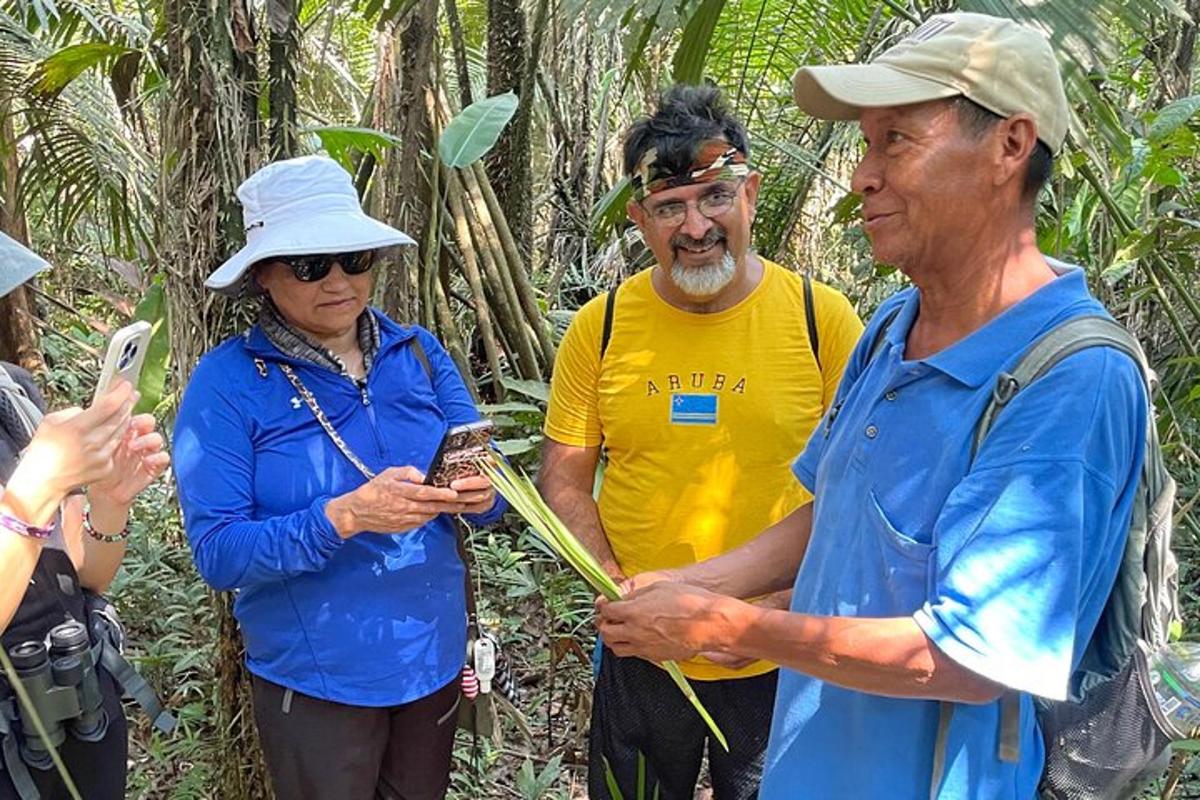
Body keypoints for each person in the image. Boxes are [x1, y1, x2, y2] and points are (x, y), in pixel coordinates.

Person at [596, 13, 1150, 800]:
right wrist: (701, 586)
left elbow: (964, 658)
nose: (862, 174)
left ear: (1010, 146)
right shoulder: (894, 325)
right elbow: (837, 511)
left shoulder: (1071, 379)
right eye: (866, 144)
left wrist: (730, 627)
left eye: (897, 141)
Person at [539, 85, 862, 799]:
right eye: (669, 207)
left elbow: (863, 490)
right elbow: (564, 475)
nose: (695, 226)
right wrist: (614, 586)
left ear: (749, 194)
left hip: (776, 650)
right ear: (639, 218)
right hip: (643, 655)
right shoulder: (602, 327)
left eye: (714, 197)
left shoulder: (823, 321)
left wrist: (768, 615)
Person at [173, 154, 506, 800]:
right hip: (317, 683)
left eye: (355, 259)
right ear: (263, 276)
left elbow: (485, 478)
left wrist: (483, 494)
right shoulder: (229, 384)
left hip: (430, 661)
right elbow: (218, 553)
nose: (338, 281)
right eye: (309, 265)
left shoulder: (418, 352)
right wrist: (343, 517)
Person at [0, 231, 170, 800]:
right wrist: (38, 484)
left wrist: (109, 500)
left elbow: (83, 573)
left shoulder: (13, 393)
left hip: (76, 699)